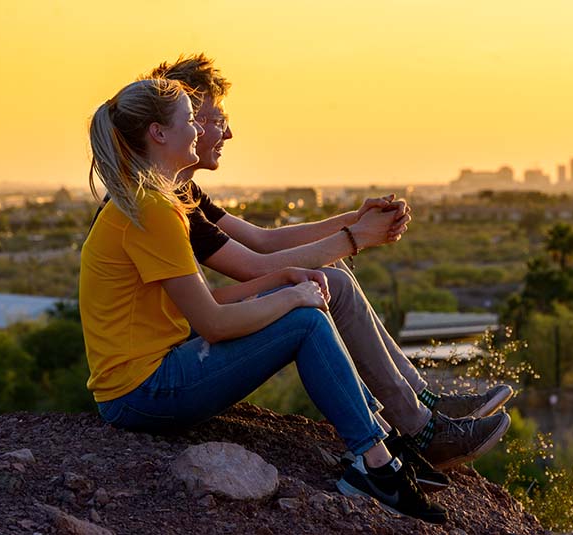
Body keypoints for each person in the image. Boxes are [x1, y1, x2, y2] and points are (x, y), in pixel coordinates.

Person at [80, 78, 446, 523]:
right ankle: (377, 464)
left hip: (146, 376)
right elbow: (213, 323)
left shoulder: (152, 201)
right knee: (305, 321)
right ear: (159, 133)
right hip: (141, 393)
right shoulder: (152, 209)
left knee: (300, 301)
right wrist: (293, 296)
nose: (199, 129)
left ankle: (385, 440)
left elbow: (200, 304)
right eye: (192, 120)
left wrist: (283, 279)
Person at [143, 54, 514, 472]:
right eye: (209, 120)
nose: (227, 132)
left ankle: (420, 403)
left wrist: (351, 222)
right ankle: (419, 428)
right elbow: (251, 266)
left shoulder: (181, 190)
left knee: (330, 273)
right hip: (169, 355)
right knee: (328, 282)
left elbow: (264, 241)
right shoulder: (158, 201)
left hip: (181, 329)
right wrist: (355, 239)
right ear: (170, 126)